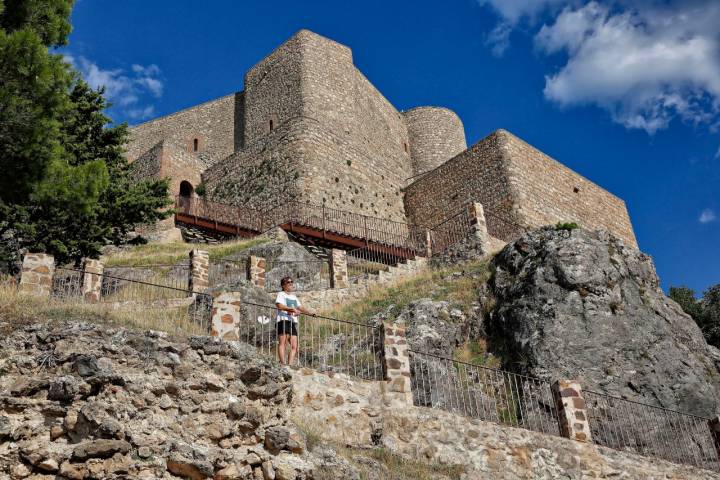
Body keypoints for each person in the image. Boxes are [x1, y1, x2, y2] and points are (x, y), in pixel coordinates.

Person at [275, 276, 316, 365]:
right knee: (283, 343)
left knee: (295, 346)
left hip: (292, 322)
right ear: (283, 285)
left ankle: (289, 365)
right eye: (288, 282)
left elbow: (300, 307)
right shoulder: (281, 294)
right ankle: (283, 363)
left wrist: (311, 313)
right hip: (283, 320)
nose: (291, 284)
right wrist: (292, 309)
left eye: (291, 282)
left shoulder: (294, 297)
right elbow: (279, 306)